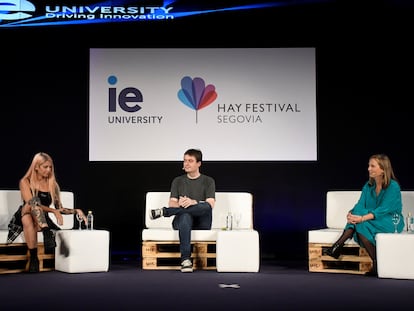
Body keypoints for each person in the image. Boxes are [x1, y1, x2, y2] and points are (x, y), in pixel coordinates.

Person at [323, 153, 404, 276]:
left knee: (361, 220)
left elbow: (383, 209)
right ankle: (377, 264)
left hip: (391, 220)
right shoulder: (368, 185)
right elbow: (360, 204)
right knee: (359, 219)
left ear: (383, 169)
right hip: (370, 219)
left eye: (372, 166)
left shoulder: (393, 186)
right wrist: (351, 213)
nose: (368, 169)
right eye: (368, 165)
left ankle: (338, 245)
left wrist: (362, 217)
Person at [7, 152, 87, 273]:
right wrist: (53, 211)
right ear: (36, 167)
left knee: (29, 220)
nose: (49, 170)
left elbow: (60, 208)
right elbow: (32, 203)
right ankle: (46, 232)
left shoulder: (52, 184)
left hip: (37, 219)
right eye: (45, 167)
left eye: (50, 167)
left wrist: (77, 211)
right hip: (24, 212)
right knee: (33, 203)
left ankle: (34, 258)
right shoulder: (25, 181)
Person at [150, 149, 216, 273]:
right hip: (182, 222)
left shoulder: (208, 181)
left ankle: (164, 212)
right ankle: (185, 260)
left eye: (190, 161)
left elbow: (210, 204)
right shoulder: (178, 181)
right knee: (185, 214)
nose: (186, 164)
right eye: (185, 160)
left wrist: (193, 202)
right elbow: (172, 203)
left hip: (202, 222)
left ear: (199, 163)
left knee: (205, 207)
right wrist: (179, 204)